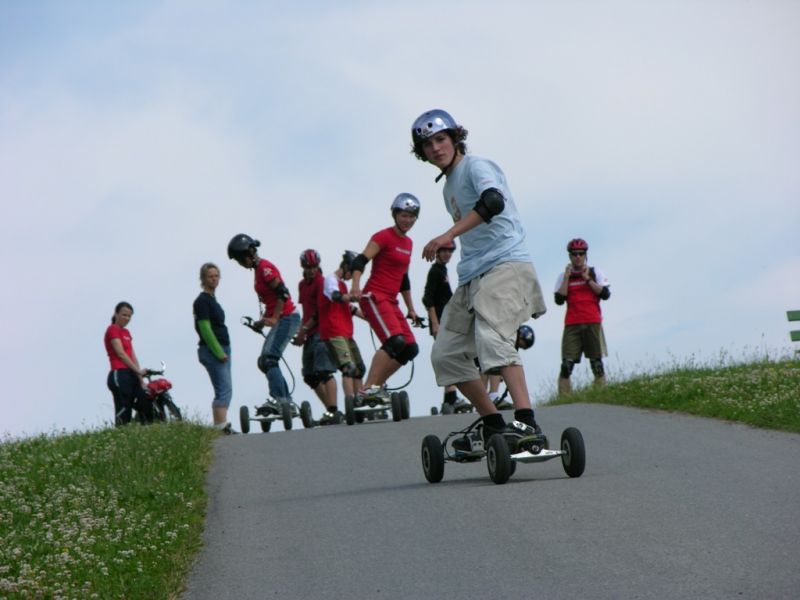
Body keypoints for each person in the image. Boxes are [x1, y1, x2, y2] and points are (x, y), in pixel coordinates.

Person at [412, 108, 548, 451]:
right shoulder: (447, 188)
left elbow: (493, 201)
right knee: (445, 354)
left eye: (441, 139)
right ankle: (493, 424)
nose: (436, 149)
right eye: (427, 145)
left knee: (492, 339)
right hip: (473, 275)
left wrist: (448, 234)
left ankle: (526, 423)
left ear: (456, 138)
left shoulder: (476, 166)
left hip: (506, 264)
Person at [349, 193, 422, 402]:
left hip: (391, 300)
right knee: (394, 342)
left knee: (410, 348)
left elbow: (404, 279)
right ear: (395, 214)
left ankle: (376, 387)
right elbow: (360, 261)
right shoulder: (383, 236)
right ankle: (367, 389)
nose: (407, 220)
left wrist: (411, 309)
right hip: (374, 296)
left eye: (412, 217)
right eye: (403, 215)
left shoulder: (408, 243)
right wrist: (355, 286)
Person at [227, 233, 301, 416]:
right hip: (283, 318)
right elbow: (272, 299)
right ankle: (287, 404)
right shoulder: (259, 271)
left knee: (269, 359)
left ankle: (280, 400)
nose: (240, 264)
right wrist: (262, 322)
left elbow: (283, 293)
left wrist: (275, 318)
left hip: (287, 317)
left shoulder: (265, 269)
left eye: (239, 260)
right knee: (265, 361)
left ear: (248, 255)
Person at [554, 238, 611, 394]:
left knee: (596, 363)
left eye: (581, 254)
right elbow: (559, 300)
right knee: (566, 365)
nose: (577, 257)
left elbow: (605, 294)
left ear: (586, 255)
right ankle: (564, 400)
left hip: (593, 321)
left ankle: (600, 395)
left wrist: (588, 280)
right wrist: (566, 278)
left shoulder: (595, 272)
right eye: (574, 254)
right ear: (570, 256)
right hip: (572, 323)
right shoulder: (563, 276)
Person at [317, 250, 367, 421]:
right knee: (349, 367)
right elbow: (336, 297)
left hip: (346, 331)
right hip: (334, 331)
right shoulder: (330, 280)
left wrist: (369, 317)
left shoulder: (344, 285)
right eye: (352, 273)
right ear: (346, 267)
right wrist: (351, 296)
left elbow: (349, 308)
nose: (353, 278)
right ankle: (351, 406)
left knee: (359, 368)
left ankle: (361, 403)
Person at [422, 240, 469, 415]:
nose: (448, 254)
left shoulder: (442, 270)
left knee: (451, 357)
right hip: (441, 322)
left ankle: (448, 400)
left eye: (450, 251)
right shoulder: (435, 271)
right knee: (451, 357)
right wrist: (435, 323)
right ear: (438, 252)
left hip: (447, 321)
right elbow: (428, 299)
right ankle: (451, 398)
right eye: (444, 251)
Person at [292, 249, 339, 423]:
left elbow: (319, 312)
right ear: (302, 266)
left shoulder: (322, 282)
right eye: (307, 266)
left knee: (325, 371)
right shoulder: (302, 285)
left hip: (322, 331)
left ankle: (334, 410)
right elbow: (306, 311)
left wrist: (303, 330)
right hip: (309, 333)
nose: (311, 269)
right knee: (310, 375)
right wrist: (301, 332)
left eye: (313, 266)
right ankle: (330, 411)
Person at [193, 262, 235, 434]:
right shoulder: (202, 301)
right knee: (223, 389)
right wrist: (218, 352)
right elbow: (204, 328)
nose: (214, 279)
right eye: (210, 276)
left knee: (227, 388)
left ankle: (222, 425)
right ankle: (220, 427)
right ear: (203, 278)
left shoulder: (212, 300)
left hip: (223, 348)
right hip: (213, 350)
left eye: (216, 275)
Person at [104, 301, 153, 425]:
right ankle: (122, 433)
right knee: (125, 407)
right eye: (124, 315)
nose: (127, 318)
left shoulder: (126, 333)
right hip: (119, 373)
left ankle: (147, 428)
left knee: (145, 397)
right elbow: (120, 354)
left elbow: (132, 356)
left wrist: (141, 379)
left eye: (129, 316)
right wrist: (137, 371)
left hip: (132, 373)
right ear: (116, 314)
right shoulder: (112, 330)